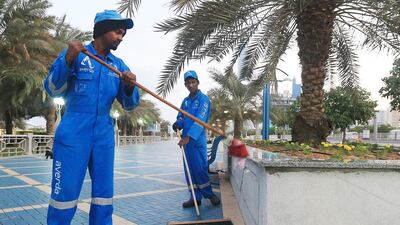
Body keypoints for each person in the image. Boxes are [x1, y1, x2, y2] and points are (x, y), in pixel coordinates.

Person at [44, 10, 140, 225]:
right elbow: (52, 88)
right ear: (103, 30)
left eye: (123, 33)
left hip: (103, 136)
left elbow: (131, 104)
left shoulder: (118, 66)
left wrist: (128, 86)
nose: (121, 37)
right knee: (64, 196)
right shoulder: (77, 54)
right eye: (118, 32)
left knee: (103, 196)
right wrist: (68, 59)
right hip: (73, 133)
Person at [173, 70, 220, 208]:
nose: (191, 85)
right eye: (188, 83)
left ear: (198, 83)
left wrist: (188, 137)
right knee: (190, 171)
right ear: (185, 85)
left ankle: (209, 194)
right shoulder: (185, 101)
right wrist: (178, 123)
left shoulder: (203, 99)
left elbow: (200, 120)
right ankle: (195, 197)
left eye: (193, 82)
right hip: (186, 141)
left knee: (200, 169)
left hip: (196, 140)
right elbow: (181, 116)